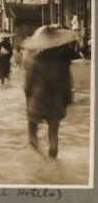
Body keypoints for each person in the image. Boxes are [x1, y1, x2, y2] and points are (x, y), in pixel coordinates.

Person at [22, 24, 75, 159]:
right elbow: (67, 85)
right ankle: (53, 158)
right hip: (55, 101)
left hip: (37, 100)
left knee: (32, 132)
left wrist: (28, 100)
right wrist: (67, 101)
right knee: (53, 133)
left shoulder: (35, 61)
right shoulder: (62, 63)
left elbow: (28, 85)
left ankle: (41, 161)